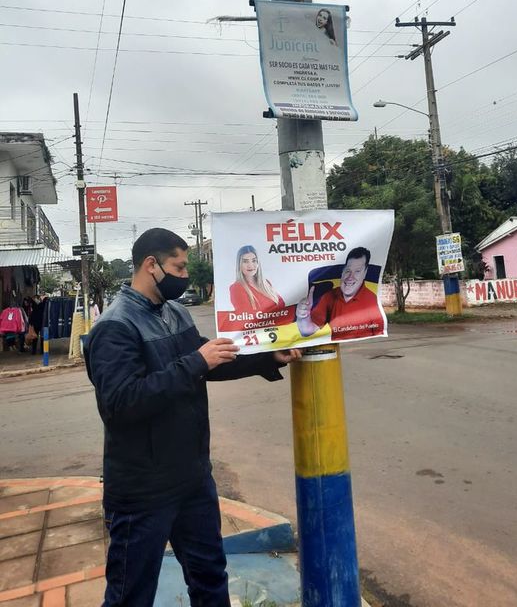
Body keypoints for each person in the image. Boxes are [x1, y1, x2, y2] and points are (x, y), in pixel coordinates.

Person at [84, 228, 300, 607]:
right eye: (179, 266)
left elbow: (207, 363)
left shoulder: (174, 312)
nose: (185, 275)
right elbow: (121, 403)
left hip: (193, 479)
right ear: (151, 265)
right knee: (129, 595)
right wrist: (195, 362)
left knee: (210, 577)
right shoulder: (114, 327)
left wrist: (266, 358)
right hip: (143, 490)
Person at [296, 247, 384, 341]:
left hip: (361, 353)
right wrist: (303, 317)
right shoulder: (329, 296)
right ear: (342, 271)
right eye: (348, 271)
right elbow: (306, 331)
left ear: (365, 273)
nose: (350, 277)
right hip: (337, 351)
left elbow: (380, 341)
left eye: (357, 271)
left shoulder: (372, 300)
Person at [229, 245, 284, 313]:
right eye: (245, 261)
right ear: (239, 264)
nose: (250, 265)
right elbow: (246, 315)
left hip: (276, 322)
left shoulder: (266, 283)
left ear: (258, 262)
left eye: (254, 260)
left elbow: (281, 303)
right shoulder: (236, 288)